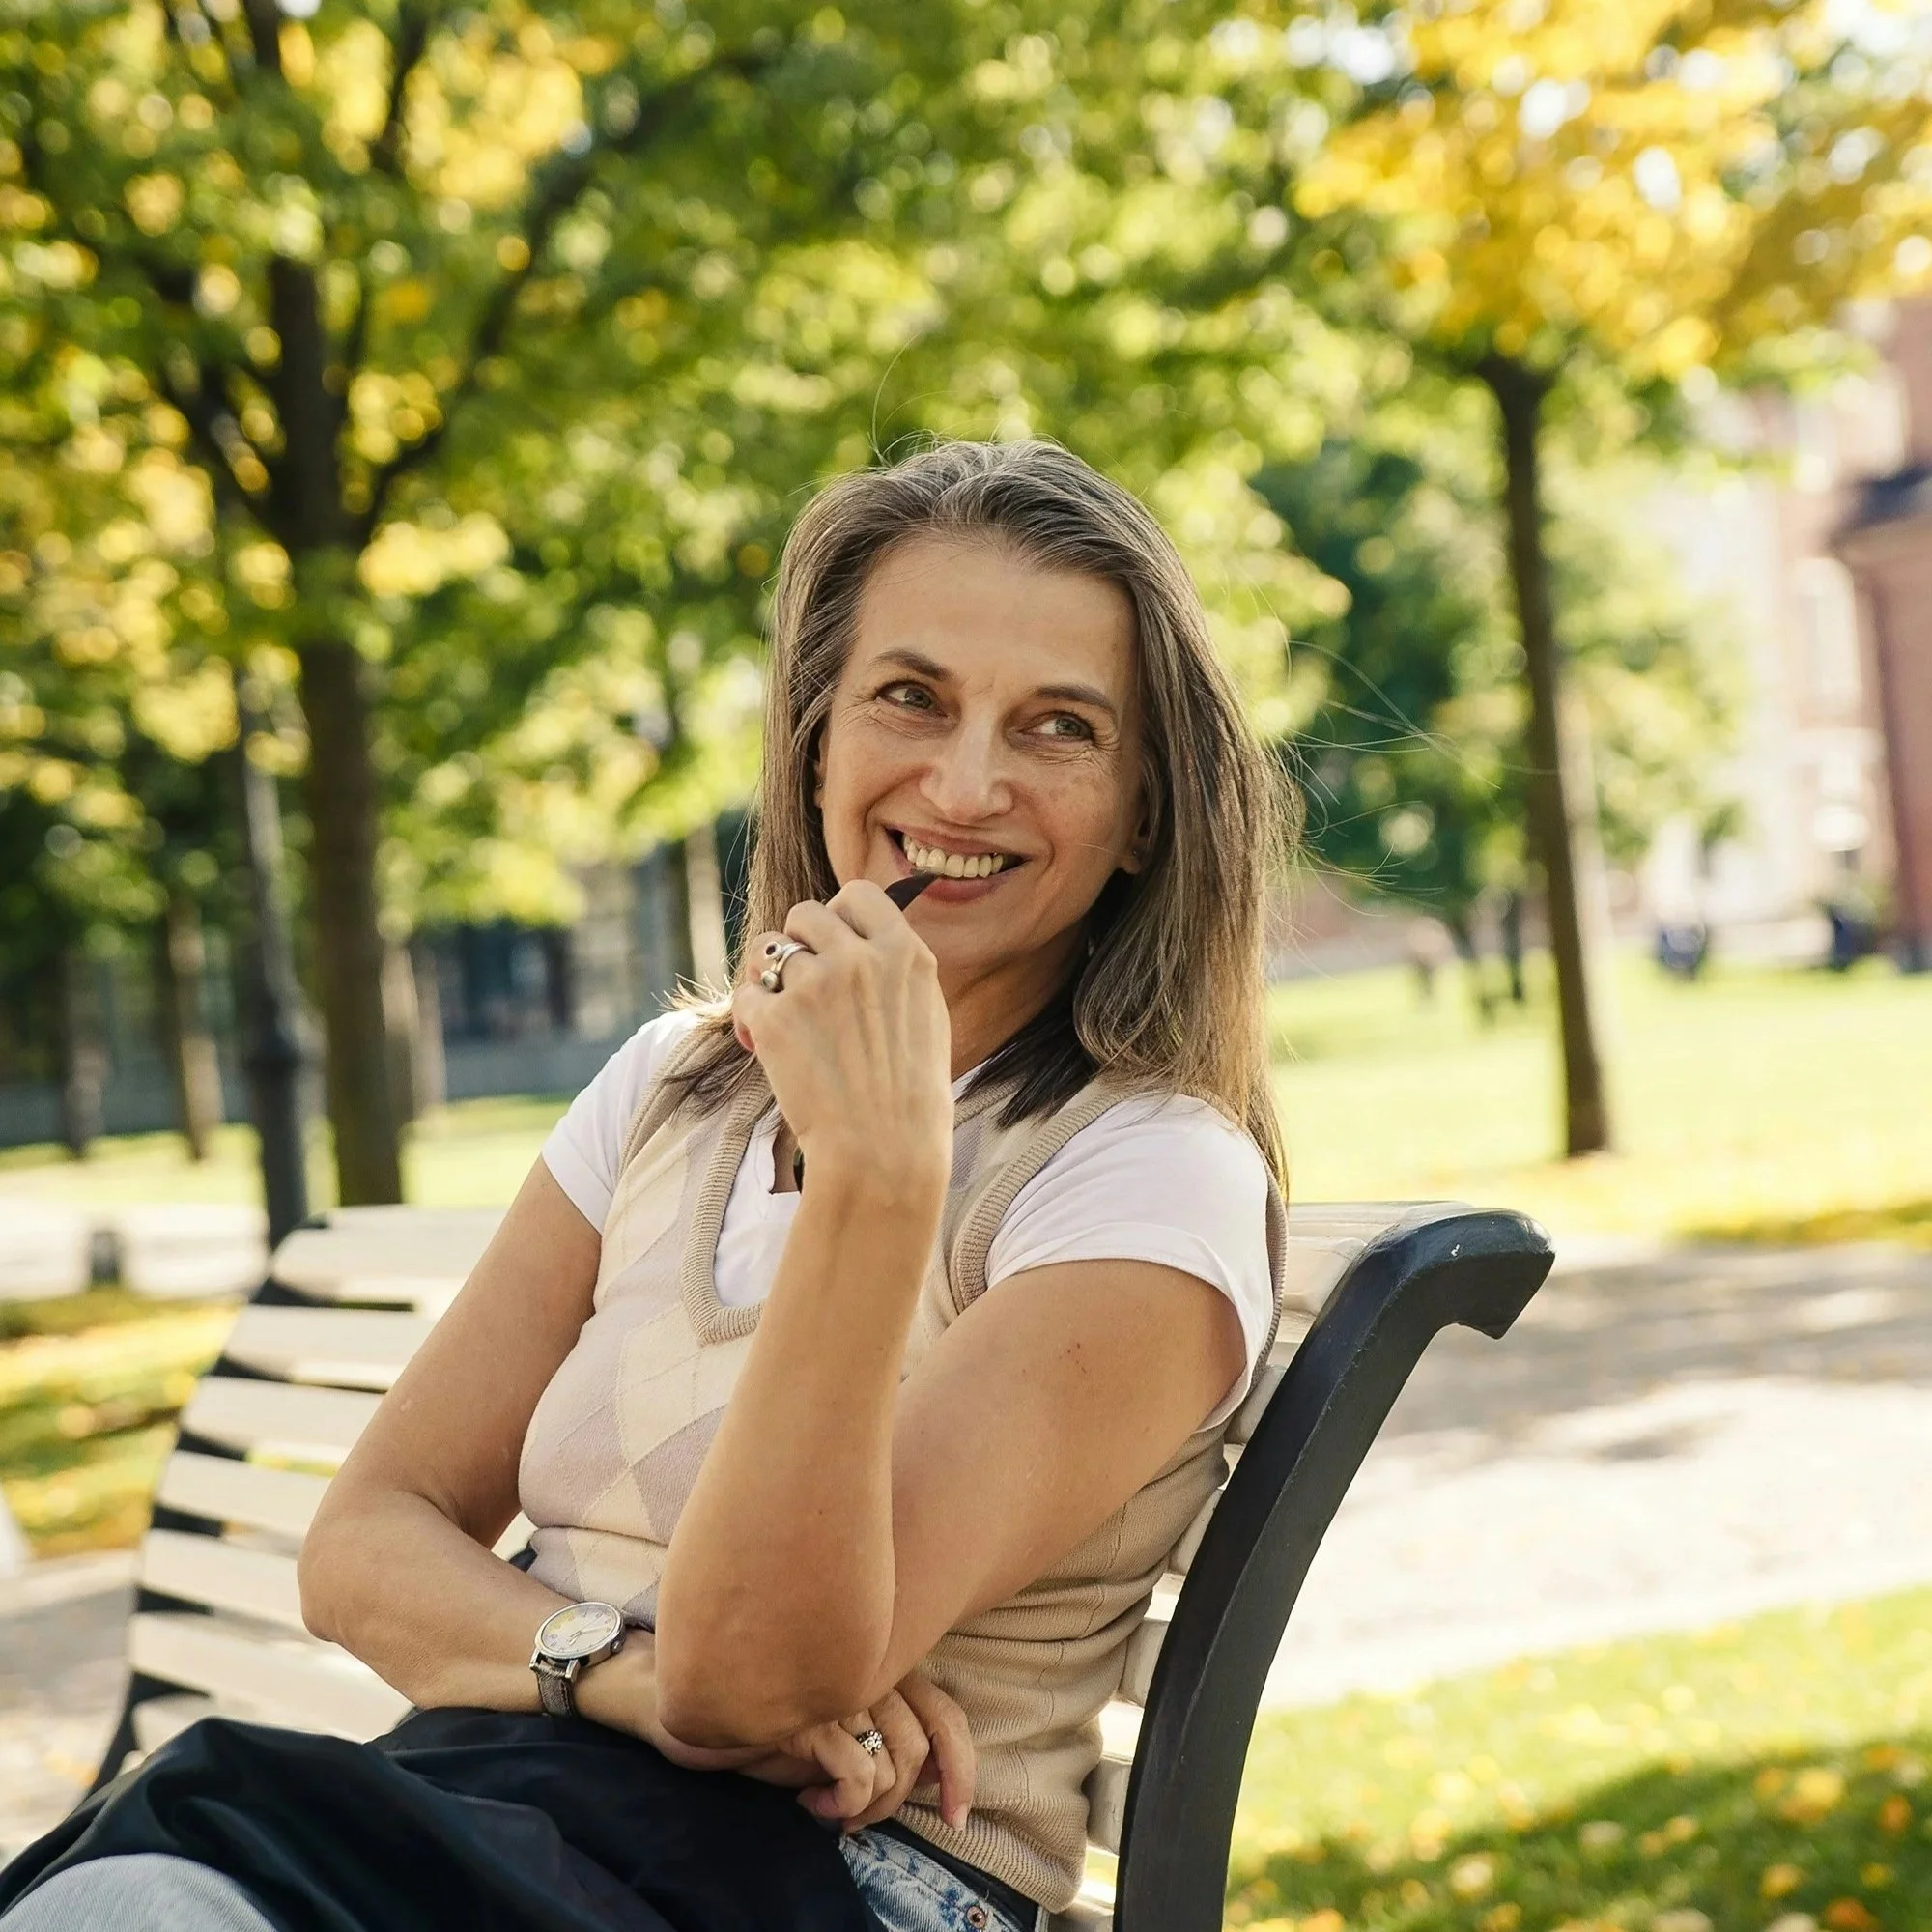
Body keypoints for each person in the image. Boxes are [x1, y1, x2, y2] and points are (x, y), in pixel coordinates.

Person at [0, 440, 1291, 1932]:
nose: (966, 779)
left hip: (841, 1888)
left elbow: (763, 1681)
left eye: (1058, 726)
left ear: (1143, 811)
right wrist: (617, 1670)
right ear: (814, 746)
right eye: (908, 698)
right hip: (517, 1814)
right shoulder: (678, 1083)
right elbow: (366, 1546)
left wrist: (875, 1177)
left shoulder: (1145, 1179)